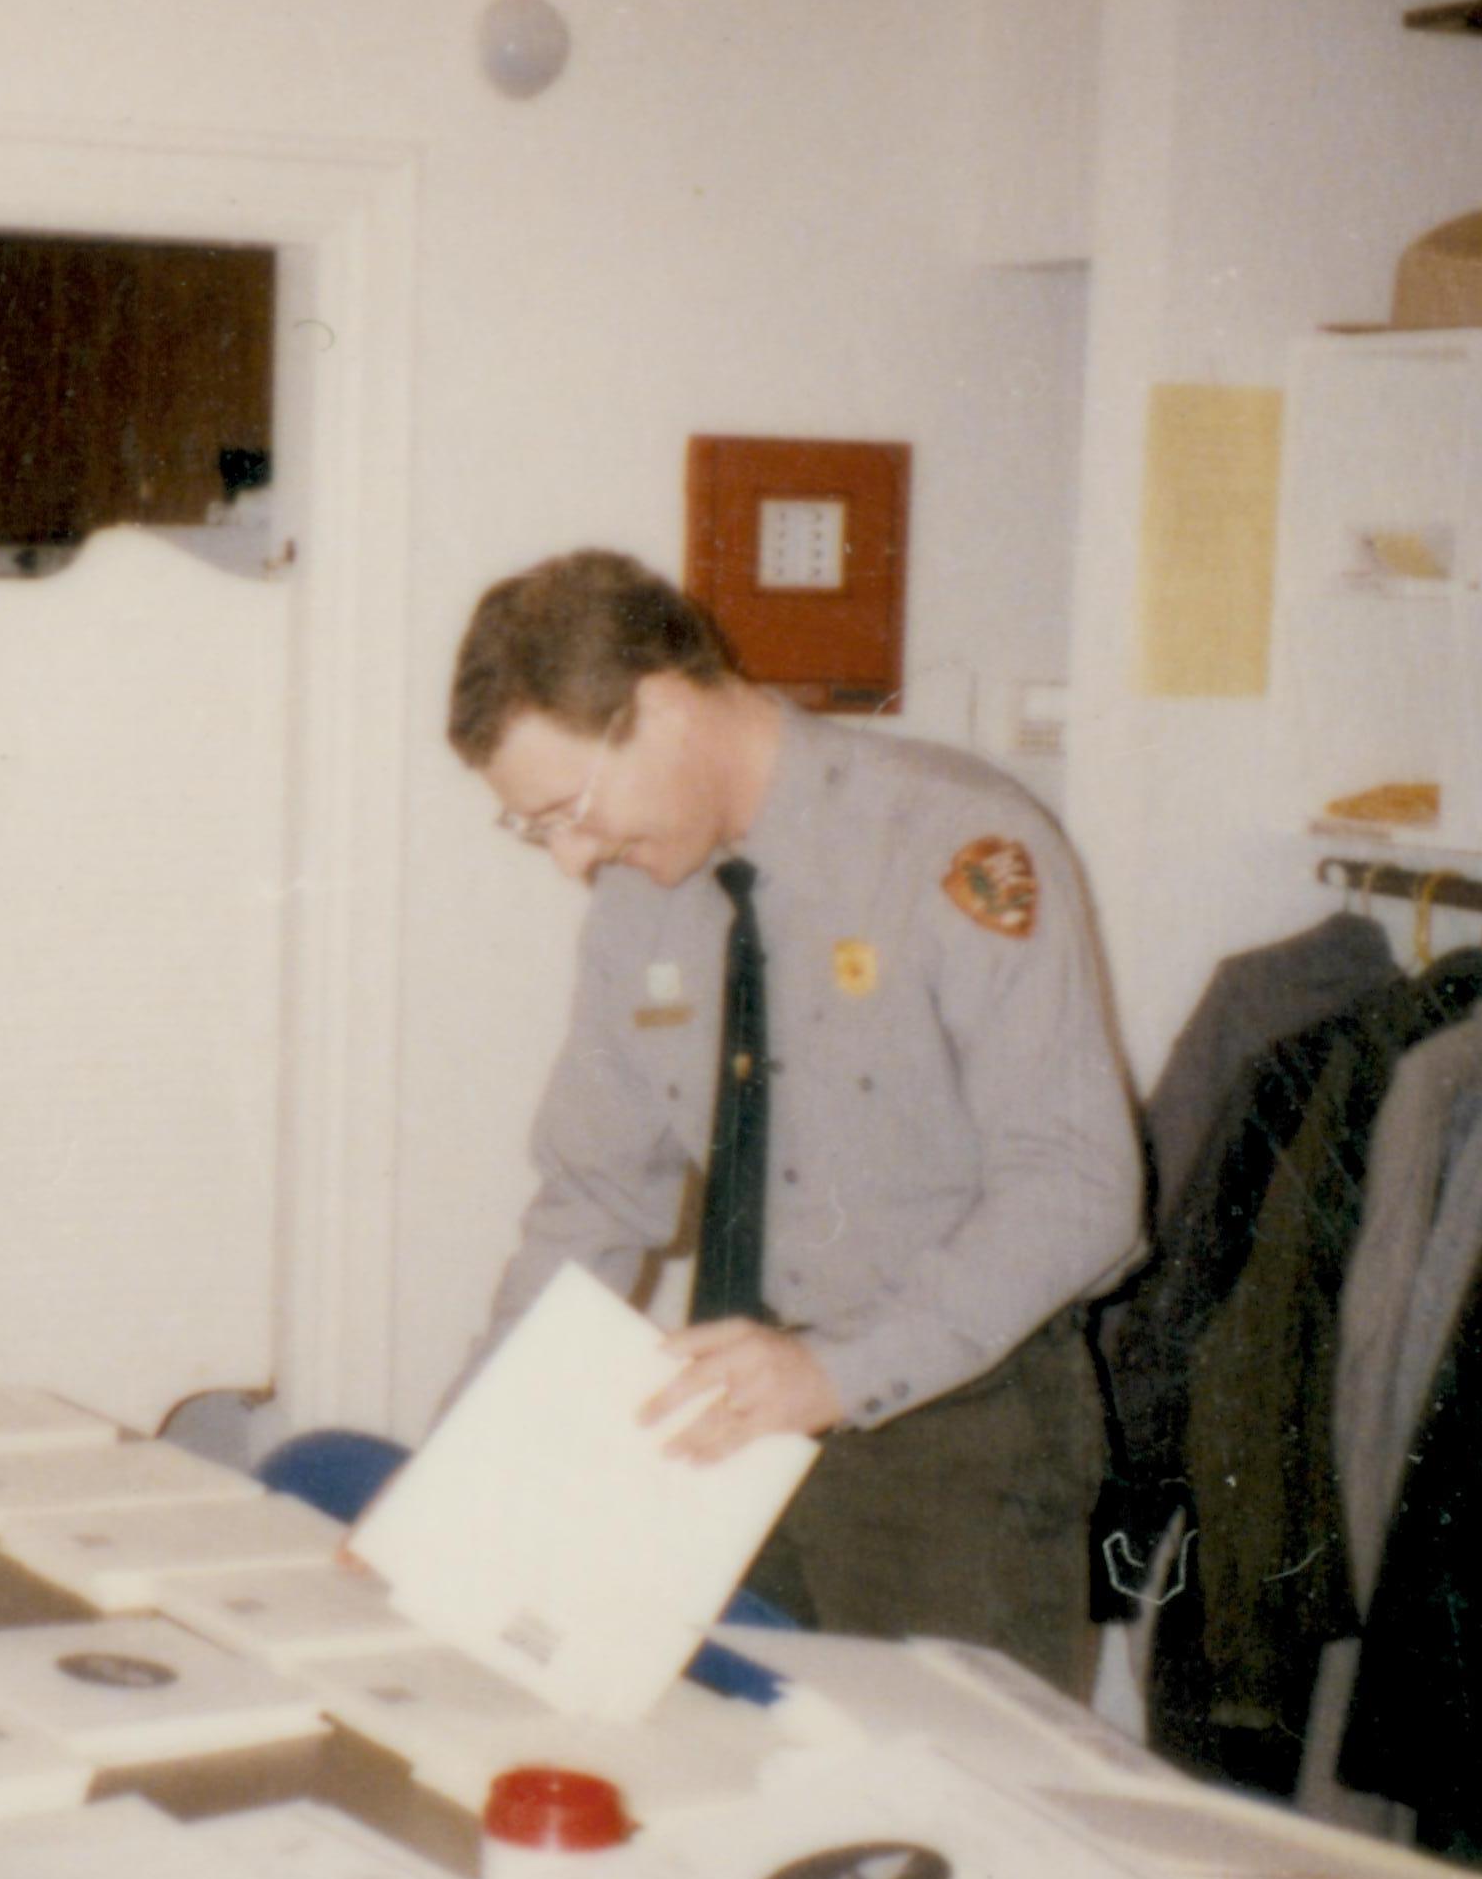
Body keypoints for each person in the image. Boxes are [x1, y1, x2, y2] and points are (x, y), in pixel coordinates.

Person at [447, 549, 1139, 1697]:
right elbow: (592, 1201)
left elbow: (1079, 1187)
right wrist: (466, 1466)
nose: (573, 858)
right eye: (537, 831)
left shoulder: (956, 845)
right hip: (727, 1441)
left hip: (955, 1442)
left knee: (959, 1827)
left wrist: (835, 1373)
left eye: (570, 810)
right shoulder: (640, 897)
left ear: (662, 709)